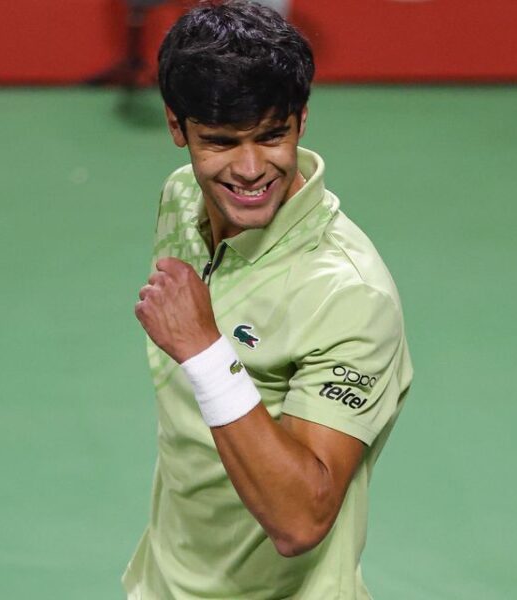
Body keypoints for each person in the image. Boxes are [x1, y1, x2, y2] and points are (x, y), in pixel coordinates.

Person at [125, 2, 413, 598]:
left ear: (301, 120)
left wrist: (205, 351)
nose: (251, 170)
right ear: (177, 128)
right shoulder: (183, 197)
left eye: (272, 135)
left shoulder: (348, 294)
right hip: (165, 583)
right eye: (220, 142)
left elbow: (300, 520)